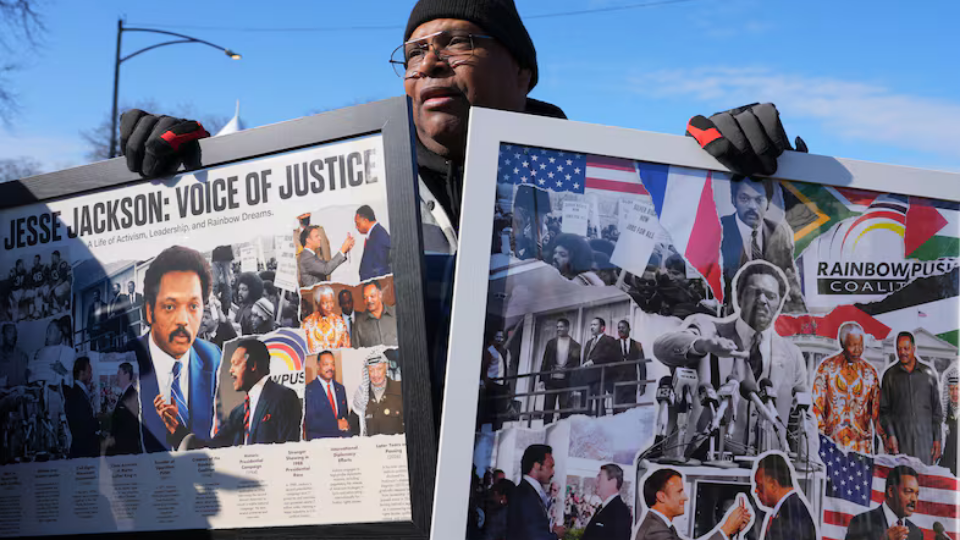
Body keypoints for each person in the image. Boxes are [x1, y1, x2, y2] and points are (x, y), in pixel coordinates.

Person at [119, 0, 805, 430]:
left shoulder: (610, 192)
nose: (431, 63)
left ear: (523, 72)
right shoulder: (354, 193)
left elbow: (712, 284)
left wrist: (765, 174)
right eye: (415, 52)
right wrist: (188, 176)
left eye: (459, 42)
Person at [654, 261, 816, 456]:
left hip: (766, 467)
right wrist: (704, 345)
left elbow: (802, 418)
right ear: (739, 297)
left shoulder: (792, 355)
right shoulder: (709, 330)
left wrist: (808, 462)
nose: (762, 300)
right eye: (755, 292)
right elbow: (662, 347)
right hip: (703, 461)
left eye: (771, 296)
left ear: (779, 303)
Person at [130, 245, 222, 453]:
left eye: (193, 306)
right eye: (170, 306)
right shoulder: (126, 359)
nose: (183, 320)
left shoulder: (213, 357)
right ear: (150, 311)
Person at [176, 339, 300, 448]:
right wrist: (178, 431)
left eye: (235, 363)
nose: (230, 370)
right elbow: (212, 448)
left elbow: (287, 451)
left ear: (253, 365)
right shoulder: (238, 413)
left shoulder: (284, 398)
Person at [720, 178, 805, 313]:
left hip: (768, 314)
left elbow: (789, 280)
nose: (752, 206)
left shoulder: (778, 232)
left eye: (759, 200)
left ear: (768, 203)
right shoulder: (718, 230)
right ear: (733, 200)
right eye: (744, 199)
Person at [812, 322, 884, 453]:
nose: (858, 350)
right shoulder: (826, 368)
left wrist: (884, 437)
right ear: (842, 344)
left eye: (860, 345)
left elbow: (877, 412)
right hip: (832, 445)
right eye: (853, 345)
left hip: (861, 447)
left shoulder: (870, 372)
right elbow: (817, 406)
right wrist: (821, 434)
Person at [879, 331, 943, 465]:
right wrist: (891, 435)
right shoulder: (889, 376)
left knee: (924, 478)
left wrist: (937, 439)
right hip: (899, 446)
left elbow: (936, 411)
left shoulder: (928, 374)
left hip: (925, 447)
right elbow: (884, 411)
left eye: (906, 348)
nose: (902, 352)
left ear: (914, 348)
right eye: (899, 349)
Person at [634, 468, 750, 540]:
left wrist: (731, 531)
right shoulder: (654, 531)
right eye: (679, 492)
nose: (685, 497)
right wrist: (726, 528)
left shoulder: (662, 526)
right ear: (661, 497)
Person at [844, 465, 922, 540]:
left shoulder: (916, 534)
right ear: (891, 491)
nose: (914, 499)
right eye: (908, 491)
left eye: (916, 494)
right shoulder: (861, 523)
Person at [506, 444, 565, 540]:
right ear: (537, 466)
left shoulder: (529, 493)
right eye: (550, 466)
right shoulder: (526, 495)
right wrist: (555, 535)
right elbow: (533, 536)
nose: (553, 472)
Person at [752, 453, 816, 540]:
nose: (755, 490)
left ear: (773, 485)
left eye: (759, 485)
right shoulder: (792, 509)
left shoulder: (789, 516)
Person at [27, 318, 76, 425]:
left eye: (51, 331)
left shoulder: (67, 352)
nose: (48, 334)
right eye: (47, 331)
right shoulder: (36, 353)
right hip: (36, 398)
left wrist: (63, 371)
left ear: (59, 334)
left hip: (55, 399)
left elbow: (73, 382)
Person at [538, 318, 581, 423]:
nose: (558, 329)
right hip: (551, 380)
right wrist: (542, 379)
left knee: (564, 408)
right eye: (557, 327)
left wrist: (568, 371)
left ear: (567, 328)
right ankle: (546, 429)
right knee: (548, 408)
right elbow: (545, 361)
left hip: (566, 381)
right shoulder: (551, 343)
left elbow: (576, 364)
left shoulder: (575, 346)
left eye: (561, 327)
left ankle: (563, 430)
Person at [352, 352, 404, 436]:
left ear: (386, 367)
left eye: (379, 369)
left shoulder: (400, 390)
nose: (375, 375)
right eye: (371, 370)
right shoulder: (361, 395)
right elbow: (353, 429)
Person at [304, 350, 351, 439]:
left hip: (341, 443)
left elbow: (344, 418)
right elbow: (310, 422)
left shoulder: (340, 389)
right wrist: (335, 425)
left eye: (332, 364)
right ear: (318, 366)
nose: (330, 368)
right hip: (320, 443)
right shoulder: (309, 390)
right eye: (326, 364)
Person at [581, 317, 619, 417]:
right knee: (585, 404)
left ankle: (601, 422)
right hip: (587, 377)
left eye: (595, 325)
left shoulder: (609, 340)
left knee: (599, 402)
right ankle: (586, 422)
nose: (592, 327)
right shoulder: (589, 342)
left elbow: (607, 355)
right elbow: (585, 359)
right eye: (591, 325)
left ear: (602, 328)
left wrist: (593, 361)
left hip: (601, 376)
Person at [582, 463, 631, 540]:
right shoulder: (602, 508)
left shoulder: (620, 511)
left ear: (613, 482)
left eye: (600, 477)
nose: (595, 481)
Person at [65, 356, 100, 458]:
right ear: (82, 373)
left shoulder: (79, 393)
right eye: (89, 372)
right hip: (83, 452)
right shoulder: (77, 395)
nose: (91, 375)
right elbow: (83, 427)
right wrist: (100, 421)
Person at [107, 362, 142, 456]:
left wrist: (115, 439)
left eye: (119, 373)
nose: (117, 377)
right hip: (122, 447)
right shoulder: (124, 394)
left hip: (126, 449)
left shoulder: (132, 395)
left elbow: (131, 425)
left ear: (126, 375)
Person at [302, 286, 351, 352]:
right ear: (317, 303)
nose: (329, 306)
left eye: (331, 302)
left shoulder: (339, 322)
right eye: (325, 303)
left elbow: (346, 348)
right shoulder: (307, 323)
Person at [481, 326, 512, 429]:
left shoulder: (507, 352)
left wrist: (508, 385)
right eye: (498, 337)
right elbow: (485, 366)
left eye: (502, 337)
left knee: (501, 410)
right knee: (490, 409)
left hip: (503, 385)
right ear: (494, 338)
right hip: (492, 383)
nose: (500, 339)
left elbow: (508, 367)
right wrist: (483, 381)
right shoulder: (490, 350)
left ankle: (497, 430)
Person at [353, 280, 398, 348]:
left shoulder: (396, 313)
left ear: (380, 294)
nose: (369, 300)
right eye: (365, 297)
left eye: (372, 296)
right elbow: (356, 351)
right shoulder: (359, 324)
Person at [356, 205, 392, 281]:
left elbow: (381, 267)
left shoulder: (378, 235)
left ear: (365, 220)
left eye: (358, 224)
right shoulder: (374, 233)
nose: (356, 227)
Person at [614, 319, 644, 409]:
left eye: (623, 327)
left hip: (631, 381)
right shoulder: (613, 344)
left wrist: (643, 383)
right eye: (619, 328)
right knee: (617, 409)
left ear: (629, 329)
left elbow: (642, 365)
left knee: (630, 410)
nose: (620, 330)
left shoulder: (637, 345)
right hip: (617, 382)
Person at [941, 365, 959, 476]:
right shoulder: (944, 413)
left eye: (958, 389)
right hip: (947, 469)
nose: (955, 393)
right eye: (952, 389)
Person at [235, 272, 265, 336]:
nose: (240, 292)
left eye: (244, 289)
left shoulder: (255, 311)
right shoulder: (242, 307)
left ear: (252, 291)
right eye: (239, 289)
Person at [0, 323, 28, 388]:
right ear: (3, 335)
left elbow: (23, 383)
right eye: (10, 332)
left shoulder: (22, 356)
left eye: (15, 333)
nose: (13, 335)